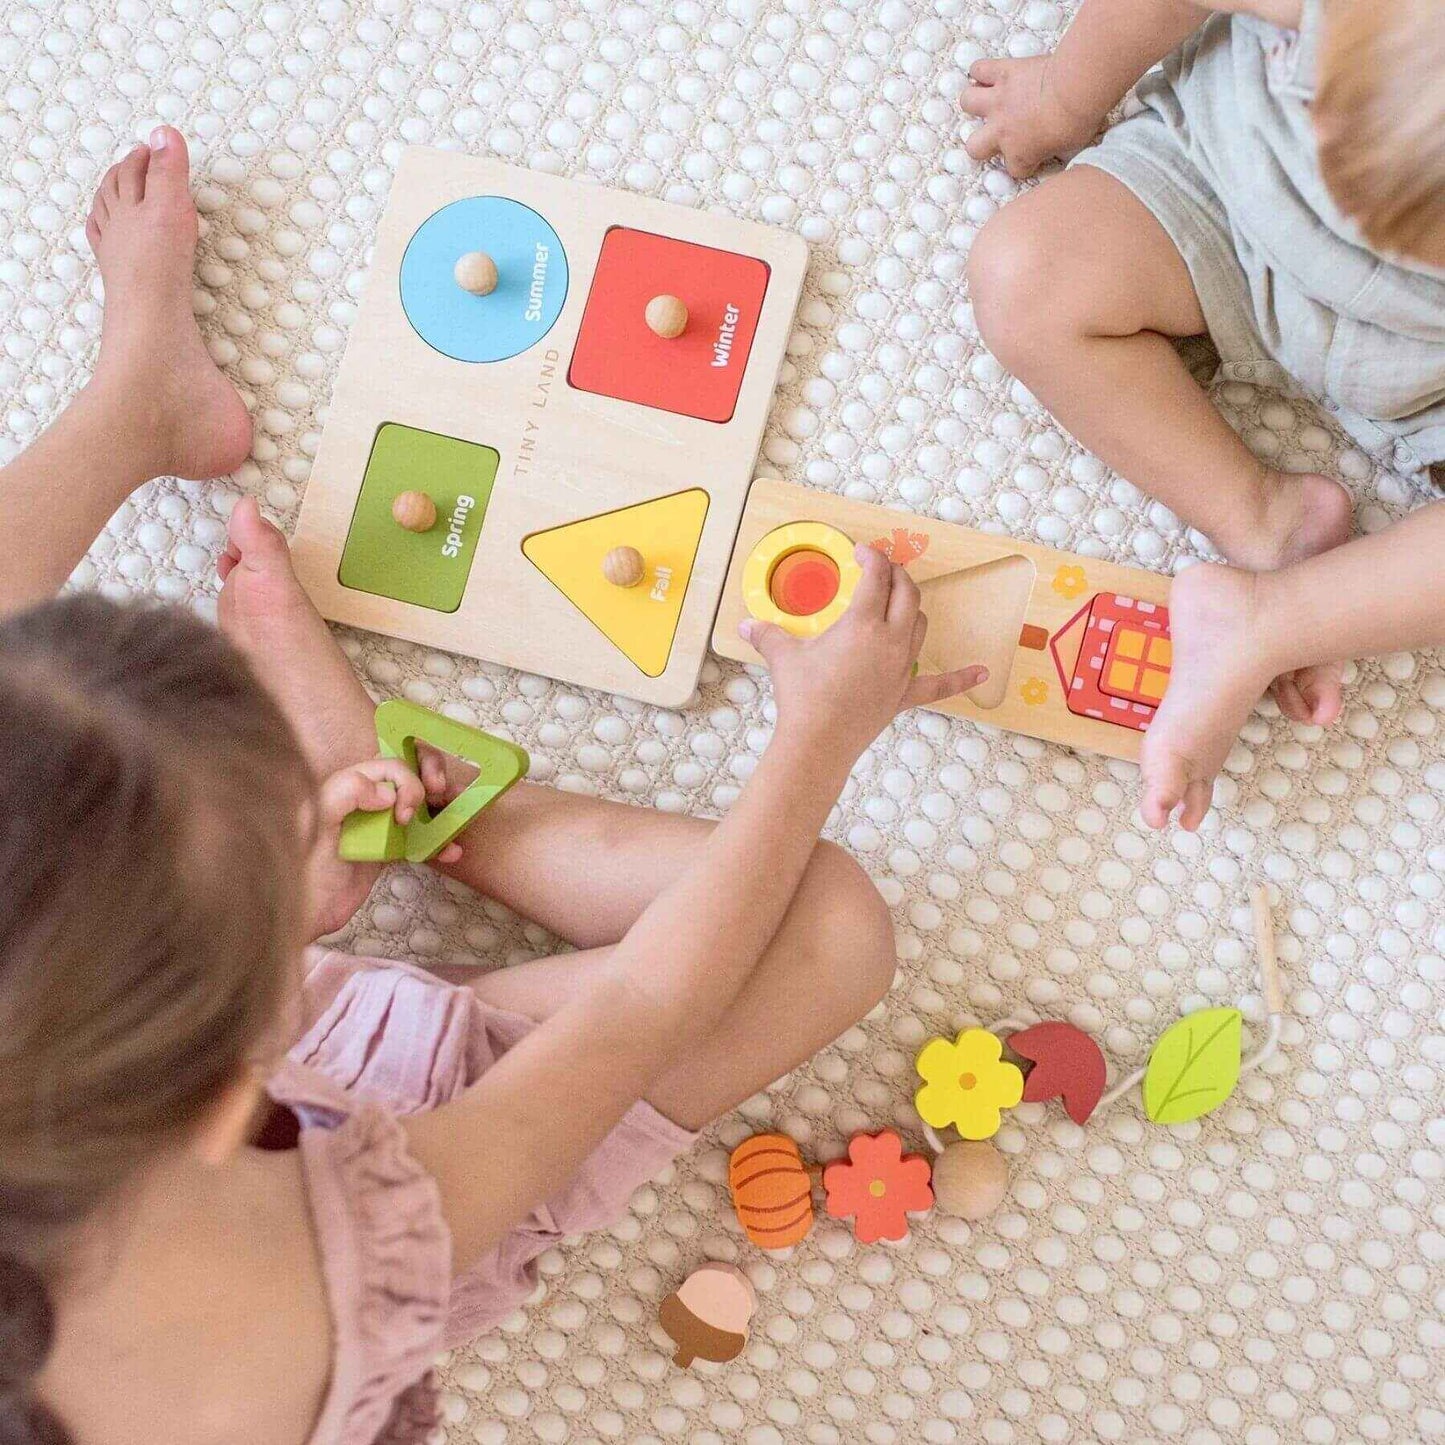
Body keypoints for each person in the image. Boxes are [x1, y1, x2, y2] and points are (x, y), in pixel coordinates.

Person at [0, 129, 985, 1443]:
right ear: (251, 1051)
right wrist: (818, 734)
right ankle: (450, 815)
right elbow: (643, 1002)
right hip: (411, 1144)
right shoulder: (327, 1272)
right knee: (832, 928)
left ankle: (140, 402)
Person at [961, 0, 1445, 829]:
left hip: (1417, 356)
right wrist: (1061, 98)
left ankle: (1270, 618)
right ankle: (1262, 516)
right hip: (1229, 181)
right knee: (1021, 277)